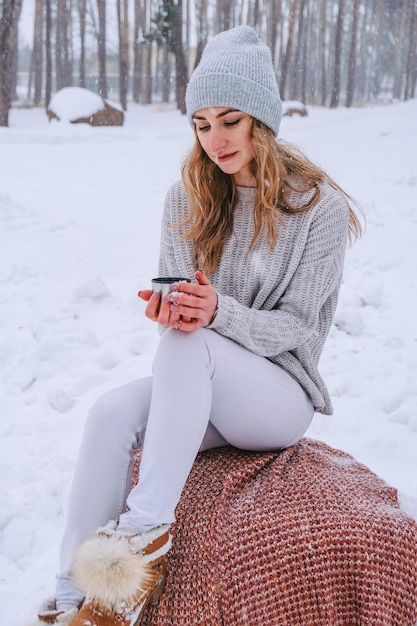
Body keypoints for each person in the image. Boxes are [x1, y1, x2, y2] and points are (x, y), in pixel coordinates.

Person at [33, 25, 362, 626]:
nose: (215, 138)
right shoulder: (185, 198)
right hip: (202, 380)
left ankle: (144, 537)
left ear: (262, 120)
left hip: (280, 397)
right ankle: (72, 598)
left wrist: (213, 315)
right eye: (201, 123)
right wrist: (170, 313)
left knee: (197, 340)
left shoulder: (318, 207)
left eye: (230, 120)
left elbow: (296, 327)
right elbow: (181, 325)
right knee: (108, 412)